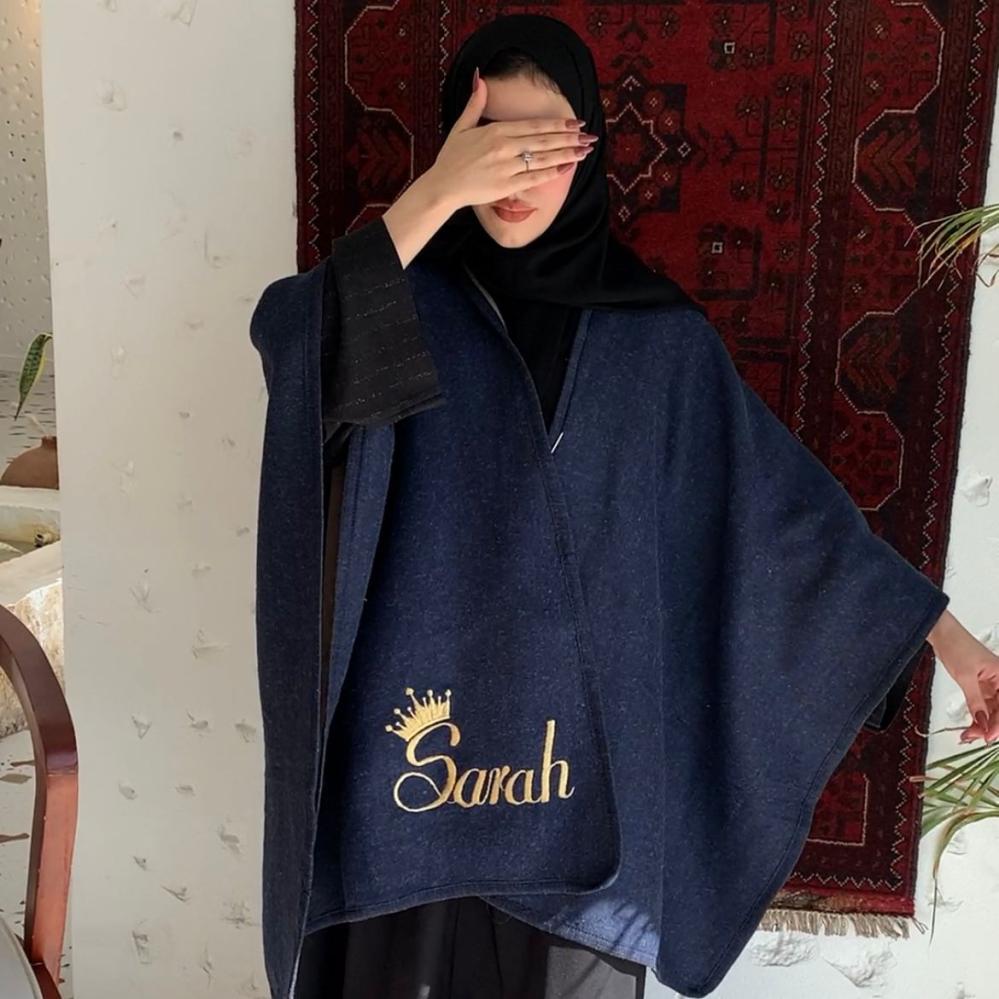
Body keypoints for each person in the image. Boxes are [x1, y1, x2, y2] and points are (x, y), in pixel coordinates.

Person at [250, 14, 999, 999]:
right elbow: (296, 351)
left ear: (592, 146)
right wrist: (433, 196)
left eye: (546, 140)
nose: (515, 171)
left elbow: (785, 524)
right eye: (490, 141)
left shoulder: (654, 345)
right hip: (409, 774)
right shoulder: (398, 306)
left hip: (588, 790)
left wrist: (949, 639)